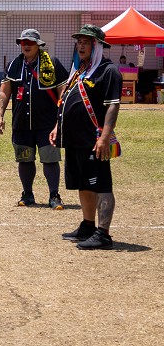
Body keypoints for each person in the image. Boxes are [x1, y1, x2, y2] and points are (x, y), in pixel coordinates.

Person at [50, 24, 121, 250]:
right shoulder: (80, 70)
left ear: (97, 45)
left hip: (93, 141)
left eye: (86, 41)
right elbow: (66, 101)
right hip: (74, 140)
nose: (81, 45)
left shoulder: (108, 72)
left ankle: (103, 234)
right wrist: (57, 126)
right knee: (83, 184)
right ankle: (88, 225)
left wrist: (104, 138)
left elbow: (112, 107)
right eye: (79, 41)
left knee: (101, 185)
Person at [0, 29, 69, 209]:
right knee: (24, 159)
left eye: (30, 42)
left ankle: (54, 195)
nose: (26, 45)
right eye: (23, 42)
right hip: (21, 123)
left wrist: (61, 119)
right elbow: (5, 92)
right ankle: (27, 194)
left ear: (38, 45)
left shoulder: (52, 63)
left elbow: (63, 92)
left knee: (50, 159)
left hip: (47, 123)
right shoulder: (14, 64)